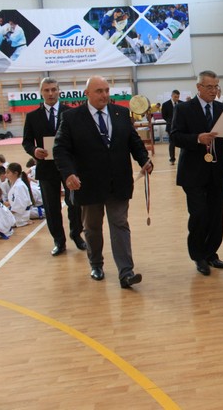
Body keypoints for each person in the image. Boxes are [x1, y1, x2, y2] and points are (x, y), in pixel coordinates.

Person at [53, 76, 152, 289]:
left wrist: (144, 159)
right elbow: (60, 149)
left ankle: (126, 272)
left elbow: (133, 141)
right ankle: (96, 264)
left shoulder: (121, 113)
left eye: (107, 90)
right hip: (87, 184)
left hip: (119, 182)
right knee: (92, 228)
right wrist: (68, 174)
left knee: (120, 224)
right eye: (99, 91)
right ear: (86, 94)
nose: (104, 95)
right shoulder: (71, 117)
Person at [171, 70, 223, 276]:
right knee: (199, 214)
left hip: (216, 171)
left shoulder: (222, 109)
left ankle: (211, 252)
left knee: (216, 215)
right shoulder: (184, 109)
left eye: (216, 86)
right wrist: (197, 139)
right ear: (199, 87)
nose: (213, 90)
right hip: (193, 172)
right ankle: (198, 255)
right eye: (209, 87)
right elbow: (175, 136)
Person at [22, 77, 85, 256]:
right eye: (46, 90)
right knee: (51, 207)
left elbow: (80, 138)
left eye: (53, 89)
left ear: (59, 91)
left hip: (69, 167)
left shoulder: (71, 113)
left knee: (75, 203)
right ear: (41, 92)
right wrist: (34, 150)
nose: (50, 93)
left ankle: (76, 235)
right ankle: (59, 241)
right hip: (46, 168)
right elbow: (27, 141)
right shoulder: (32, 117)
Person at [5, 163, 43, 227]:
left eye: (8, 173)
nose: (6, 175)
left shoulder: (19, 186)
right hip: (18, 214)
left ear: (15, 173)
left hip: (20, 217)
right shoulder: (16, 184)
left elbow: (20, 206)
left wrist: (7, 213)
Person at [160, 89, 181, 165]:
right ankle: (172, 159)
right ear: (172, 96)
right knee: (172, 143)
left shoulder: (182, 103)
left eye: (178, 97)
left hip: (181, 126)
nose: (177, 98)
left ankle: (184, 157)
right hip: (170, 126)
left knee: (183, 142)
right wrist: (171, 122)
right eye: (175, 97)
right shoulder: (165, 104)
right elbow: (164, 116)